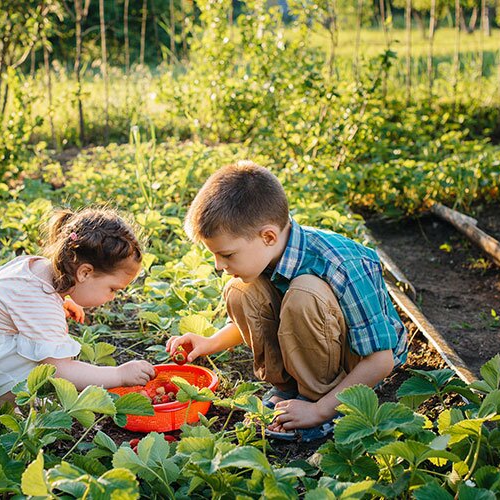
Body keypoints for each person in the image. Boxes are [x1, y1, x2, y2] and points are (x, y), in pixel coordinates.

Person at [166, 161, 408, 442]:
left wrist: (319, 409)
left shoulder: (342, 264)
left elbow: (380, 361)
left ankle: (322, 403)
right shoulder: (268, 252)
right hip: (318, 346)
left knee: (305, 293)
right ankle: (290, 390)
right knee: (242, 290)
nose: (219, 265)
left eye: (227, 255)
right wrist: (209, 343)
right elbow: (269, 317)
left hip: (360, 366)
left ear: (268, 236)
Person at [0, 208, 155, 408]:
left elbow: (15, 301)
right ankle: (1, 399)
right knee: (46, 370)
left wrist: (63, 301)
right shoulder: (41, 301)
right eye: (113, 289)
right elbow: (61, 371)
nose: (112, 297)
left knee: (37, 347)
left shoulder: (35, 267)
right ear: (85, 273)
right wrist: (118, 374)